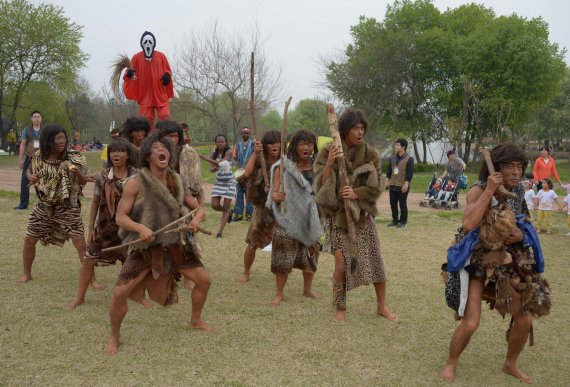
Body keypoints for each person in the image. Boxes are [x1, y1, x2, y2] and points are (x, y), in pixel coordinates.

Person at [440, 143, 551, 384]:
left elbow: (526, 222)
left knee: (525, 319)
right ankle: (451, 362)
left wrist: (521, 235)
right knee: (470, 323)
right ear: (496, 168)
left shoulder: (519, 191)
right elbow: (468, 223)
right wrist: (490, 190)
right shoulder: (478, 190)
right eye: (509, 166)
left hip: (511, 260)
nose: (515, 171)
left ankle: (510, 364)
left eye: (519, 166)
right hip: (479, 260)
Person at [104, 134, 214, 355]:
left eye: (165, 147)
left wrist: (195, 220)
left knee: (204, 282)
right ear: (147, 156)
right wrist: (141, 228)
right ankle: (114, 337)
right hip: (146, 249)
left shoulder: (177, 181)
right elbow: (120, 217)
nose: (162, 150)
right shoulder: (136, 183)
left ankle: (195, 320)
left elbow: (198, 208)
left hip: (176, 245)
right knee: (119, 293)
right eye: (156, 147)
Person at [314, 108, 398, 323]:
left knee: (376, 262)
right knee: (341, 265)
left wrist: (356, 194)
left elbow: (377, 186)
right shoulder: (327, 151)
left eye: (362, 128)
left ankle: (382, 306)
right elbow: (319, 185)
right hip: (338, 219)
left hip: (362, 217)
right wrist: (331, 162)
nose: (360, 132)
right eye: (355, 128)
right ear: (345, 130)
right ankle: (340, 308)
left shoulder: (371, 154)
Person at [16, 124, 100, 290]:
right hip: (44, 205)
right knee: (29, 239)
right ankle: (27, 273)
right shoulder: (39, 157)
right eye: (58, 138)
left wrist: (78, 174)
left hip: (68, 206)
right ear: (48, 140)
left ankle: (92, 279)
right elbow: (29, 171)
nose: (62, 141)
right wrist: (30, 176)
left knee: (80, 243)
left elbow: (84, 181)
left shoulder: (74, 157)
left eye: (63, 137)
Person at [67, 139, 147, 309]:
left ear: (128, 155)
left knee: (135, 263)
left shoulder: (137, 176)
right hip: (106, 229)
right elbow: (95, 202)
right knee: (88, 260)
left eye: (121, 151)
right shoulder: (102, 177)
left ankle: (139, 295)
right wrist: (90, 229)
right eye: (113, 151)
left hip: (129, 230)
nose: (116, 154)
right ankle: (80, 297)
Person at [266, 130, 322, 305]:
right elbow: (273, 192)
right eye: (302, 144)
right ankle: (279, 293)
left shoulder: (317, 167)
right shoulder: (283, 166)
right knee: (282, 256)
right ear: (295, 146)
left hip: (309, 218)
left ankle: (307, 289)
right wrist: (276, 196)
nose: (307, 147)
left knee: (311, 255)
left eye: (310, 144)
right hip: (287, 218)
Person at [238, 130, 281, 283]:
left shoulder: (285, 162)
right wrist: (255, 153)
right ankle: (246, 271)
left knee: (282, 242)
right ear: (265, 145)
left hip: (280, 207)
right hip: (262, 207)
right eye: (270, 143)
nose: (274, 145)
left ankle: (281, 274)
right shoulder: (259, 159)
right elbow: (247, 173)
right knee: (253, 242)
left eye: (277, 142)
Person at [155, 120, 204, 204]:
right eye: (170, 136)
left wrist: (200, 206)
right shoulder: (153, 153)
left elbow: (196, 181)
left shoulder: (187, 153)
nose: (174, 140)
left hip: (183, 196)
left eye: (176, 136)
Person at [200, 134, 235, 238]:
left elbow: (222, 164)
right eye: (218, 141)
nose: (220, 143)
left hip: (229, 182)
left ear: (226, 142)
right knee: (214, 205)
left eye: (222, 141)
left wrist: (206, 159)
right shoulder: (213, 154)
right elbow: (212, 169)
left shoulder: (229, 151)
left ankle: (219, 232)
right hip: (219, 182)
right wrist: (215, 166)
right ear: (215, 143)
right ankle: (228, 212)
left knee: (226, 205)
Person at [15, 111, 42, 210]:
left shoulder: (45, 130)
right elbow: (22, 145)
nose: (36, 118)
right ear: (31, 119)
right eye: (34, 117)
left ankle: (44, 204)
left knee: (43, 180)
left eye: (38, 116)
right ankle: (23, 204)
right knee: (25, 180)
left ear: (41, 118)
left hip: (42, 159)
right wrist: (20, 160)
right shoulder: (26, 130)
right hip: (29, 158)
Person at [385, 138, 414, 228]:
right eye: (395, 145)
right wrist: (387, 181)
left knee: (402, 204)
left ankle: (403, 222)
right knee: (393, 204)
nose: (396, 146)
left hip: (403, 186)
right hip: (393, 185)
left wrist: (406, 184)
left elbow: (410, 173)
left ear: (403, 147)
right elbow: (389, 171)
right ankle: (395, 221)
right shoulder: (393, 158)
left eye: (398, 145)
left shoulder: (409, 159)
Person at [232, 127, 255, 221]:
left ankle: (250, 214)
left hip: (251, 173)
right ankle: (238, 214)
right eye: (244, 133)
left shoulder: (253, 144)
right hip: (240, 173)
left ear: (249, 134)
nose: (245, 134)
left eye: (247, 133)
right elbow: (234, 158)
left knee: (249, 194)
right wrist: (238, 168)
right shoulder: (237, 145)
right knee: (239, 193)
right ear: (241, 134)